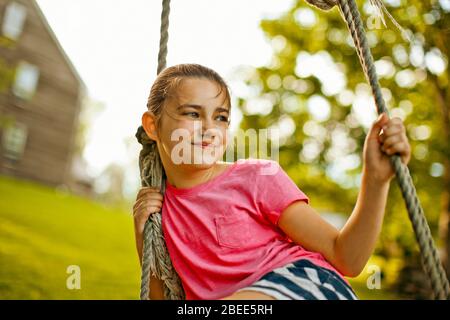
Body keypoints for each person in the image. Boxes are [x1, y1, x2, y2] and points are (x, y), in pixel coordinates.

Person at [133, 63, 411, 300]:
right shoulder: (161, 211)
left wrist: (374, 180)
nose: (209, 129)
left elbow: (346, 257)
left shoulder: (256, 177)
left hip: (307, 285)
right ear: (152, 126)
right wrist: (142, 231)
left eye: (220, 118)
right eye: (192, 114)